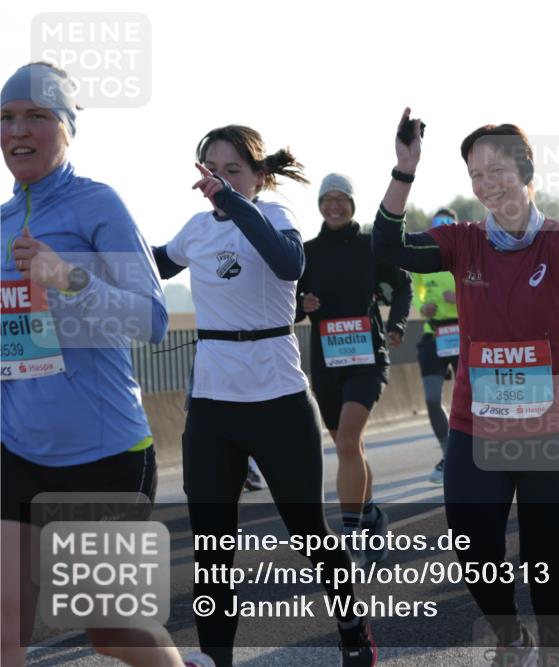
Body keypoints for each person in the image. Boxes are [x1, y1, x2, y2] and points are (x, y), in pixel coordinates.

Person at [373, 108, 559, 667]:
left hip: (553, 426)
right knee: (474, 555)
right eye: (475, 174)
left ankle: (551, 651)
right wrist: (405, 171)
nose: (486, 182)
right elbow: (389, 248)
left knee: (544, 557)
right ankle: (509, 637)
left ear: (525, 172)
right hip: (476, 428)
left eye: (496, 169)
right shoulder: (462, 242)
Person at [1, 62, 212, 667]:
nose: (19, 130)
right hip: (16, 450)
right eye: (7, 117)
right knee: (4, 624)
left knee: (112, 632)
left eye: (38, 116)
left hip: (102, 455)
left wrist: (67, 277)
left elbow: (148, 320)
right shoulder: (1, 221)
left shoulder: (100, 205)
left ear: (66, 127)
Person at [152, 127, 374, 666]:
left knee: (309, 535)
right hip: (211, 405)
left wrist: (232, 200)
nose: (219, 180)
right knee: (212, 548)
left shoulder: (275, 218)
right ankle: (216, 659)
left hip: (277, 399)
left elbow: (288, 265)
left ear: (259, 177)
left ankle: (352, 632)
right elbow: (148, 265)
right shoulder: (195, 231)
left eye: (233, 170)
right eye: (212, 170)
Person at [295, 172, 411, 559]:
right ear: (319, 206)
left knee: (346, 442)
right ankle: (371, 514)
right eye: (327, 198)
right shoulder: (306, 252)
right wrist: (302, 306)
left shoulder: (370, 246)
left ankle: (351, 537)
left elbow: (404, 283)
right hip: (327, 364)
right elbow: (287, 302)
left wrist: (395, 323)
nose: (334, 204)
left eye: (341, 197)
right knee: (351, 447)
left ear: (352, 203)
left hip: (368, 359)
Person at [412, 208, 460, 484]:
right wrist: (423, 307)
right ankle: (448, 454)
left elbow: (484, 287)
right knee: (431, 399)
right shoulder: (424, 259)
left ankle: (475, 452)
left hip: (464, 333)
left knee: (470, 398)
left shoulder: (464, 256)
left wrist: (462, 295)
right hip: (434, 334)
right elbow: (416, 292)